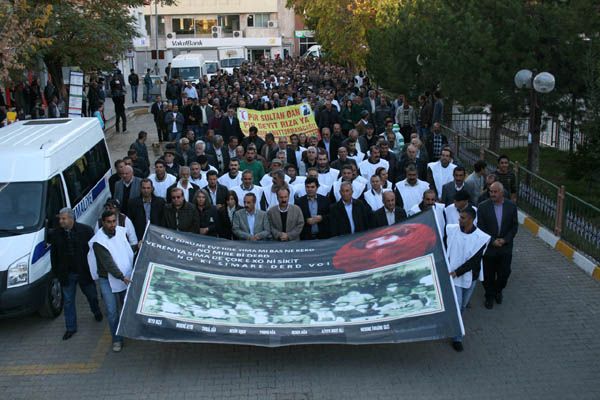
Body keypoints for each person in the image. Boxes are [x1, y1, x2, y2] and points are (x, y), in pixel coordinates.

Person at [47, 208, 102, 340]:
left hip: (84, 272)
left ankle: (96, 311)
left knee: (92, 295)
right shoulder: (56, 234)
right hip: (67, 274)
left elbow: (94, 251)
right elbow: (54, 255)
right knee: (68, 301)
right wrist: (57, 273)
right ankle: (70, 328)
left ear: (71, 219)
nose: (61, 221)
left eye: (63, 218)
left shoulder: (86, 231)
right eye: (60, 218)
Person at [445, 206, 490, 351]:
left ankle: (454, 324)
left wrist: (458, 272)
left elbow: (474, 261)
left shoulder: (481, 238)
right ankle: (456, 336)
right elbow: (444, 245)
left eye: (463, 218)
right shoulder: (451, 229)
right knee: (457, 305)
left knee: (463, 304)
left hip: (469, 276)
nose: (459, 219)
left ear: (471, 219)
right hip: (453, 275)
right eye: (460, 217)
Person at [88, 210, 134, 353]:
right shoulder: (98, 241)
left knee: (127, 307)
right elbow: (108, 264)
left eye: (114, 221)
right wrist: (122, 277)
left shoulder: (121, 231)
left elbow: (127, 250)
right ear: (103, 222)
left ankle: (128, 330)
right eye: (108, 222)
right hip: (108, 279)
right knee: (112, 311)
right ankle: (117, 339)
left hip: (124, 277)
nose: (112, 225)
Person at [477, 182, 519, 309]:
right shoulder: (483, 207)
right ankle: (489, 296)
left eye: (495, 192)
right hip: (489, 247)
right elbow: (481, 227)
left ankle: (498, 290)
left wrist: (505, 240)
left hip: (505, 247)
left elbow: (514, 226)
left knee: (504, 273)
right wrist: (492, 240)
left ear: (502, 193)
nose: (492, 194)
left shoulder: (511, 206)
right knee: (488, 274)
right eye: (491, 191)